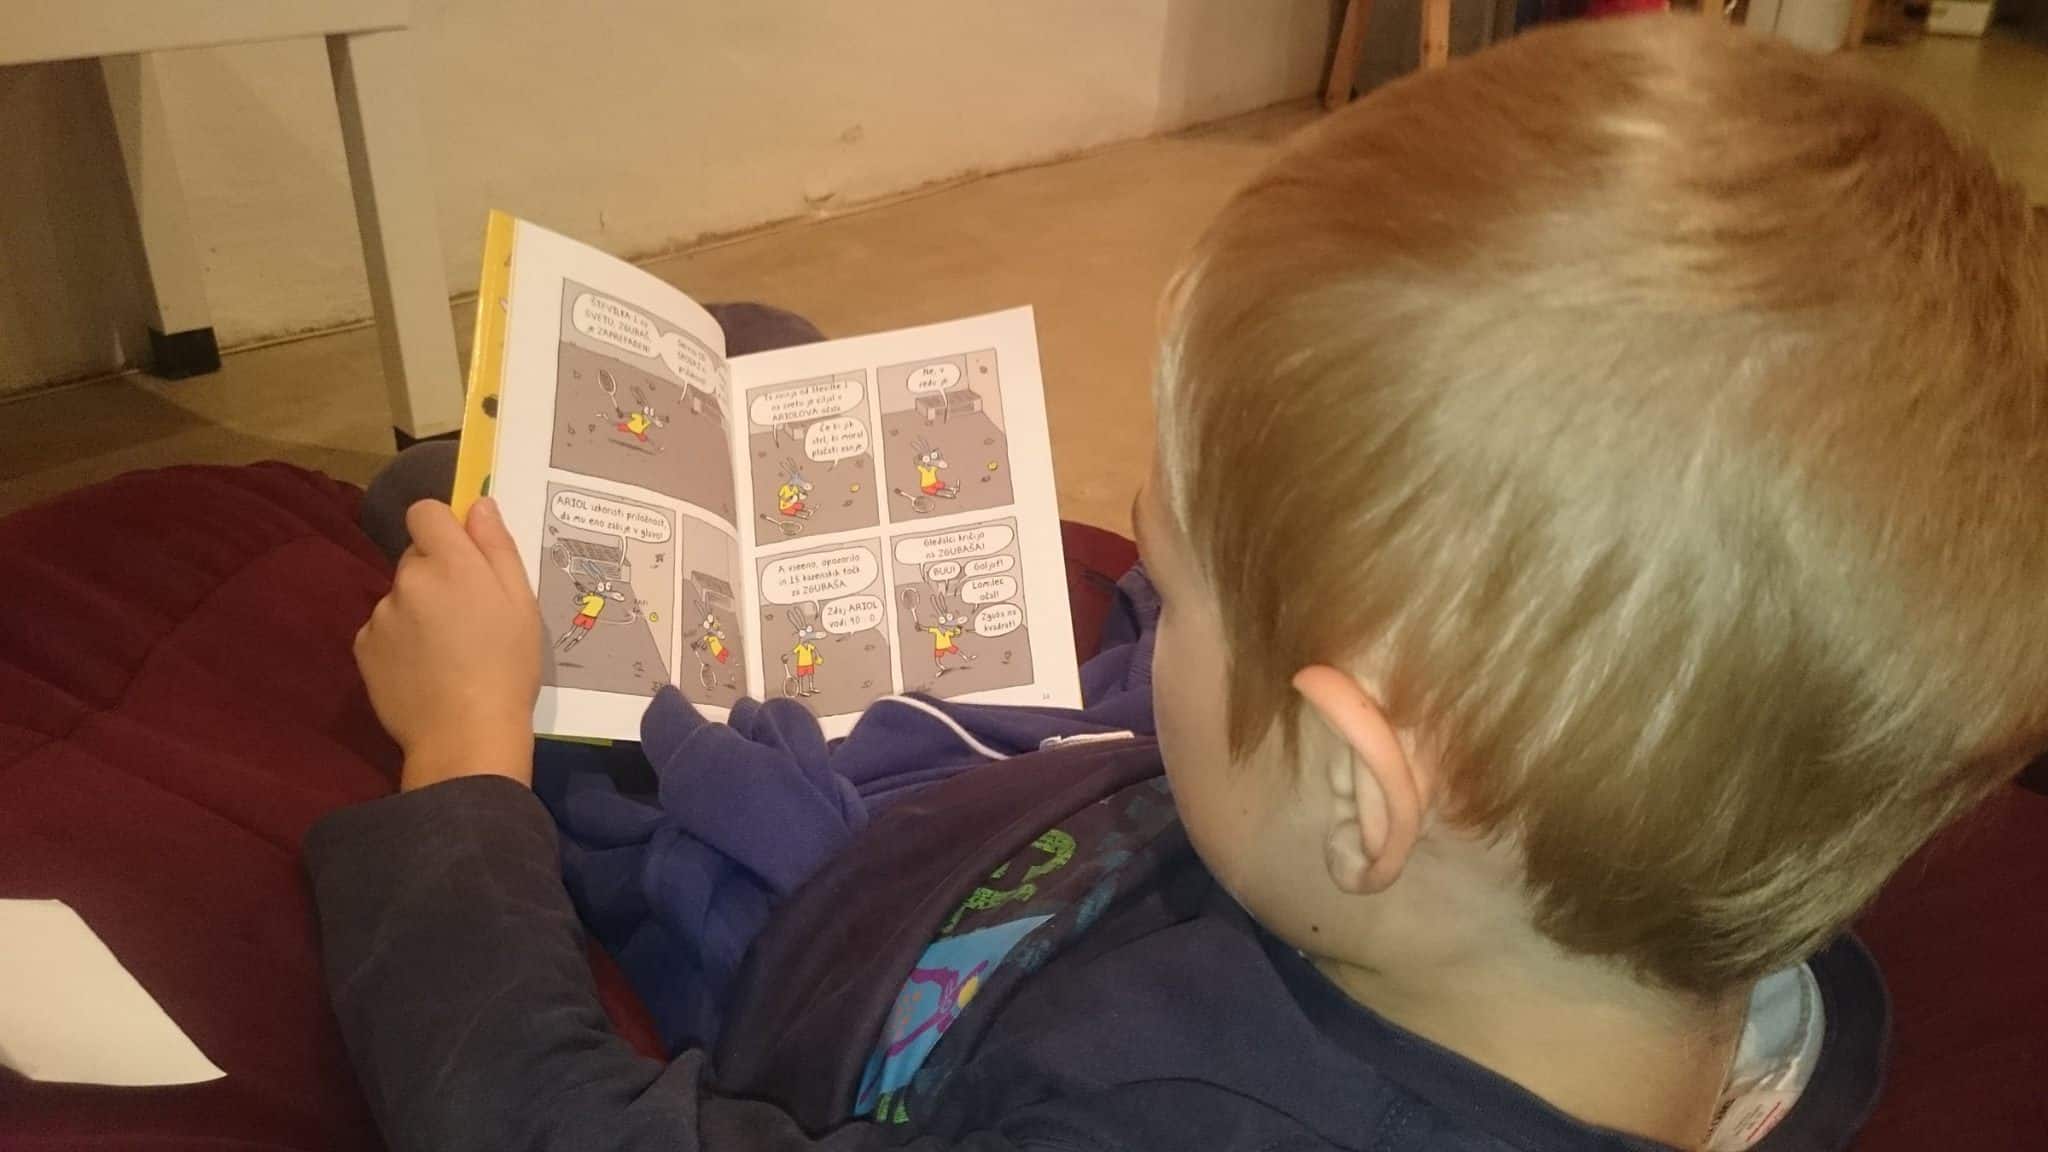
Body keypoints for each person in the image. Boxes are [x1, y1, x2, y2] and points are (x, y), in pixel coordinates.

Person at [310, 17, 2048, 1152]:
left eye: (1171, 582)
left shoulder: (1149, 1117)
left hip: (825, 917)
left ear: (1359, 786)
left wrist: (464, 754)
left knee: (452, 509)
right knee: (752, 356)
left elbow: (538, 1122)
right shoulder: (1662, 883)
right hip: (1077, 822)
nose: (1145, 591)